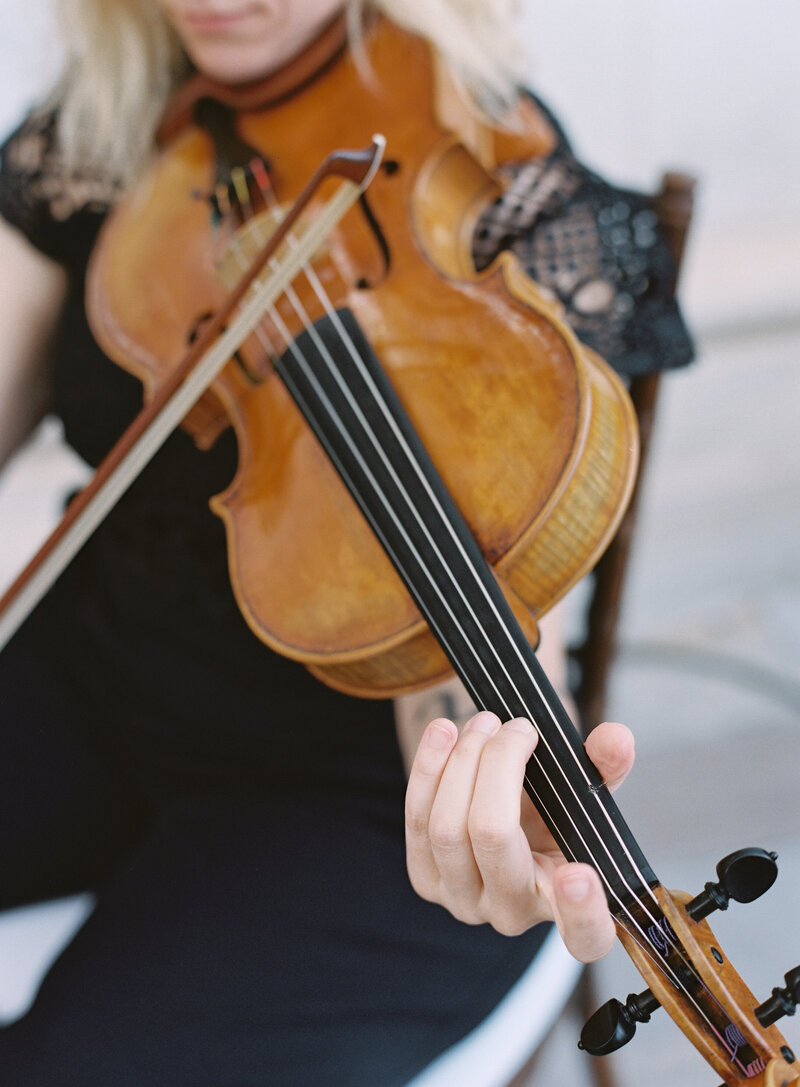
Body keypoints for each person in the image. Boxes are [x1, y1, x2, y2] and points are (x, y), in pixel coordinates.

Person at [0, 2, 693, 1084]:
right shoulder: (98, 137)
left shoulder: (506, 200)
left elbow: (460, 658)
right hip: (92, 681)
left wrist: (483, 791)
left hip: (346, 798)